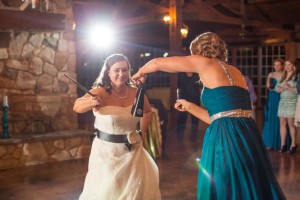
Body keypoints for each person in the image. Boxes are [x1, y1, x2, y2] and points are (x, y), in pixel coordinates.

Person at [132, 32, 286, 200]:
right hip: (247, 133)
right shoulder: (235, 71)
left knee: (223, 184)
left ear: (198, 51)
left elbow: (157, 63)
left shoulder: (204, 62)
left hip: (224, 136)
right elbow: (222, 116)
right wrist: (190, 106)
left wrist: (140, 72)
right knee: (248, 182)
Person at [73, 54, 161, 200]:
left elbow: (147, 111)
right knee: (109, 190)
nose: (121, 74)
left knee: (135, 190)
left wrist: (142, 131)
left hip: (133, 151)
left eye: (125, 70)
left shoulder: (136, 92)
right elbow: (77, 106)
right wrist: (91, 103)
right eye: (117, 70)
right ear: (108, 72)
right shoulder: (98, 92)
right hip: (106, 153)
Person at [262, 58, 285, 150]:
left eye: (278, 65)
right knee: (271, 117)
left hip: (280, 97)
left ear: (282, 66)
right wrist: (269, 84)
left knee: (280, 118)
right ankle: (269, 142)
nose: (276, 67)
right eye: (275, 65)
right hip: (272, 97)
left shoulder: (284, 74)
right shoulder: (270, 74)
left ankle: (280, 143)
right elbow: (267, 86)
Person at [276, 59, 298, 154]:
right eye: (286, 65)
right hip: (282, 103)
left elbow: (298, 90)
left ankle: (293, 145)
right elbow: (277, 89)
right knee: (282, 124)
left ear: (293, 66)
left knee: (291, 124)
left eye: (289, 64)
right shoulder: (282, 76)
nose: (287, 66)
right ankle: (283, 145)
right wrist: (283, 88)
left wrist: (288, 87)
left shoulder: (296, 76)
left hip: (292, 102)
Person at [176, 72, 201, 141]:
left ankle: (193, 137)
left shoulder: (197, 74)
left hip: (195, 98)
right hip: (183, 98)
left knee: (195, 119)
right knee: (182, 118)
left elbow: (200, 85)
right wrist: (178, 99)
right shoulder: (181, 74)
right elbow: (178, 87)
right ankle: (179, 137)